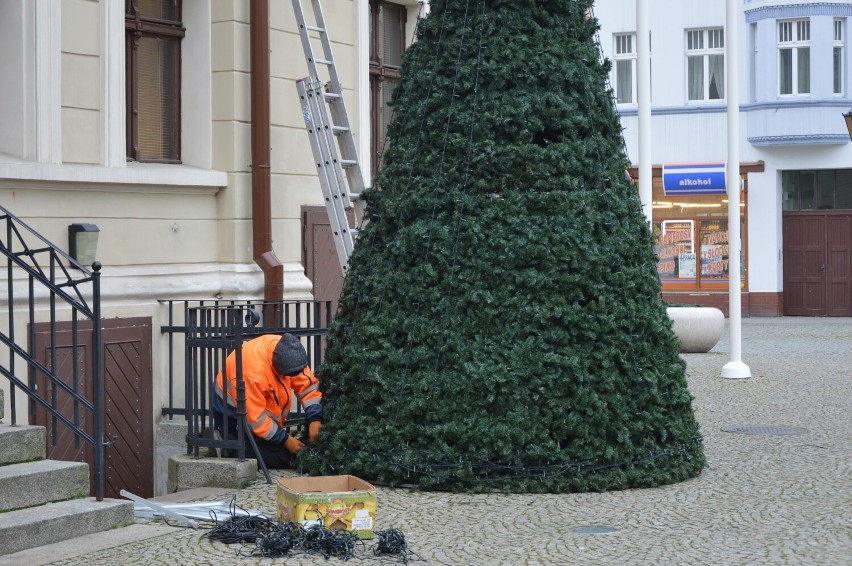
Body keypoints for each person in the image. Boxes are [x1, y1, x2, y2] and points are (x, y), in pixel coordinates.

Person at [212, 333, 322, 468]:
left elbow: (307, 386)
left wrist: (314, 418)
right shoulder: (253, 374)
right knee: (281, 457)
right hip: (232, 416)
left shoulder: (288, 351)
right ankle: (226, 443)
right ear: (278, 370)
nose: (291, 378)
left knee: (282, 451)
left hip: (252, 414)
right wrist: (285, 440)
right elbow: (256, 420)